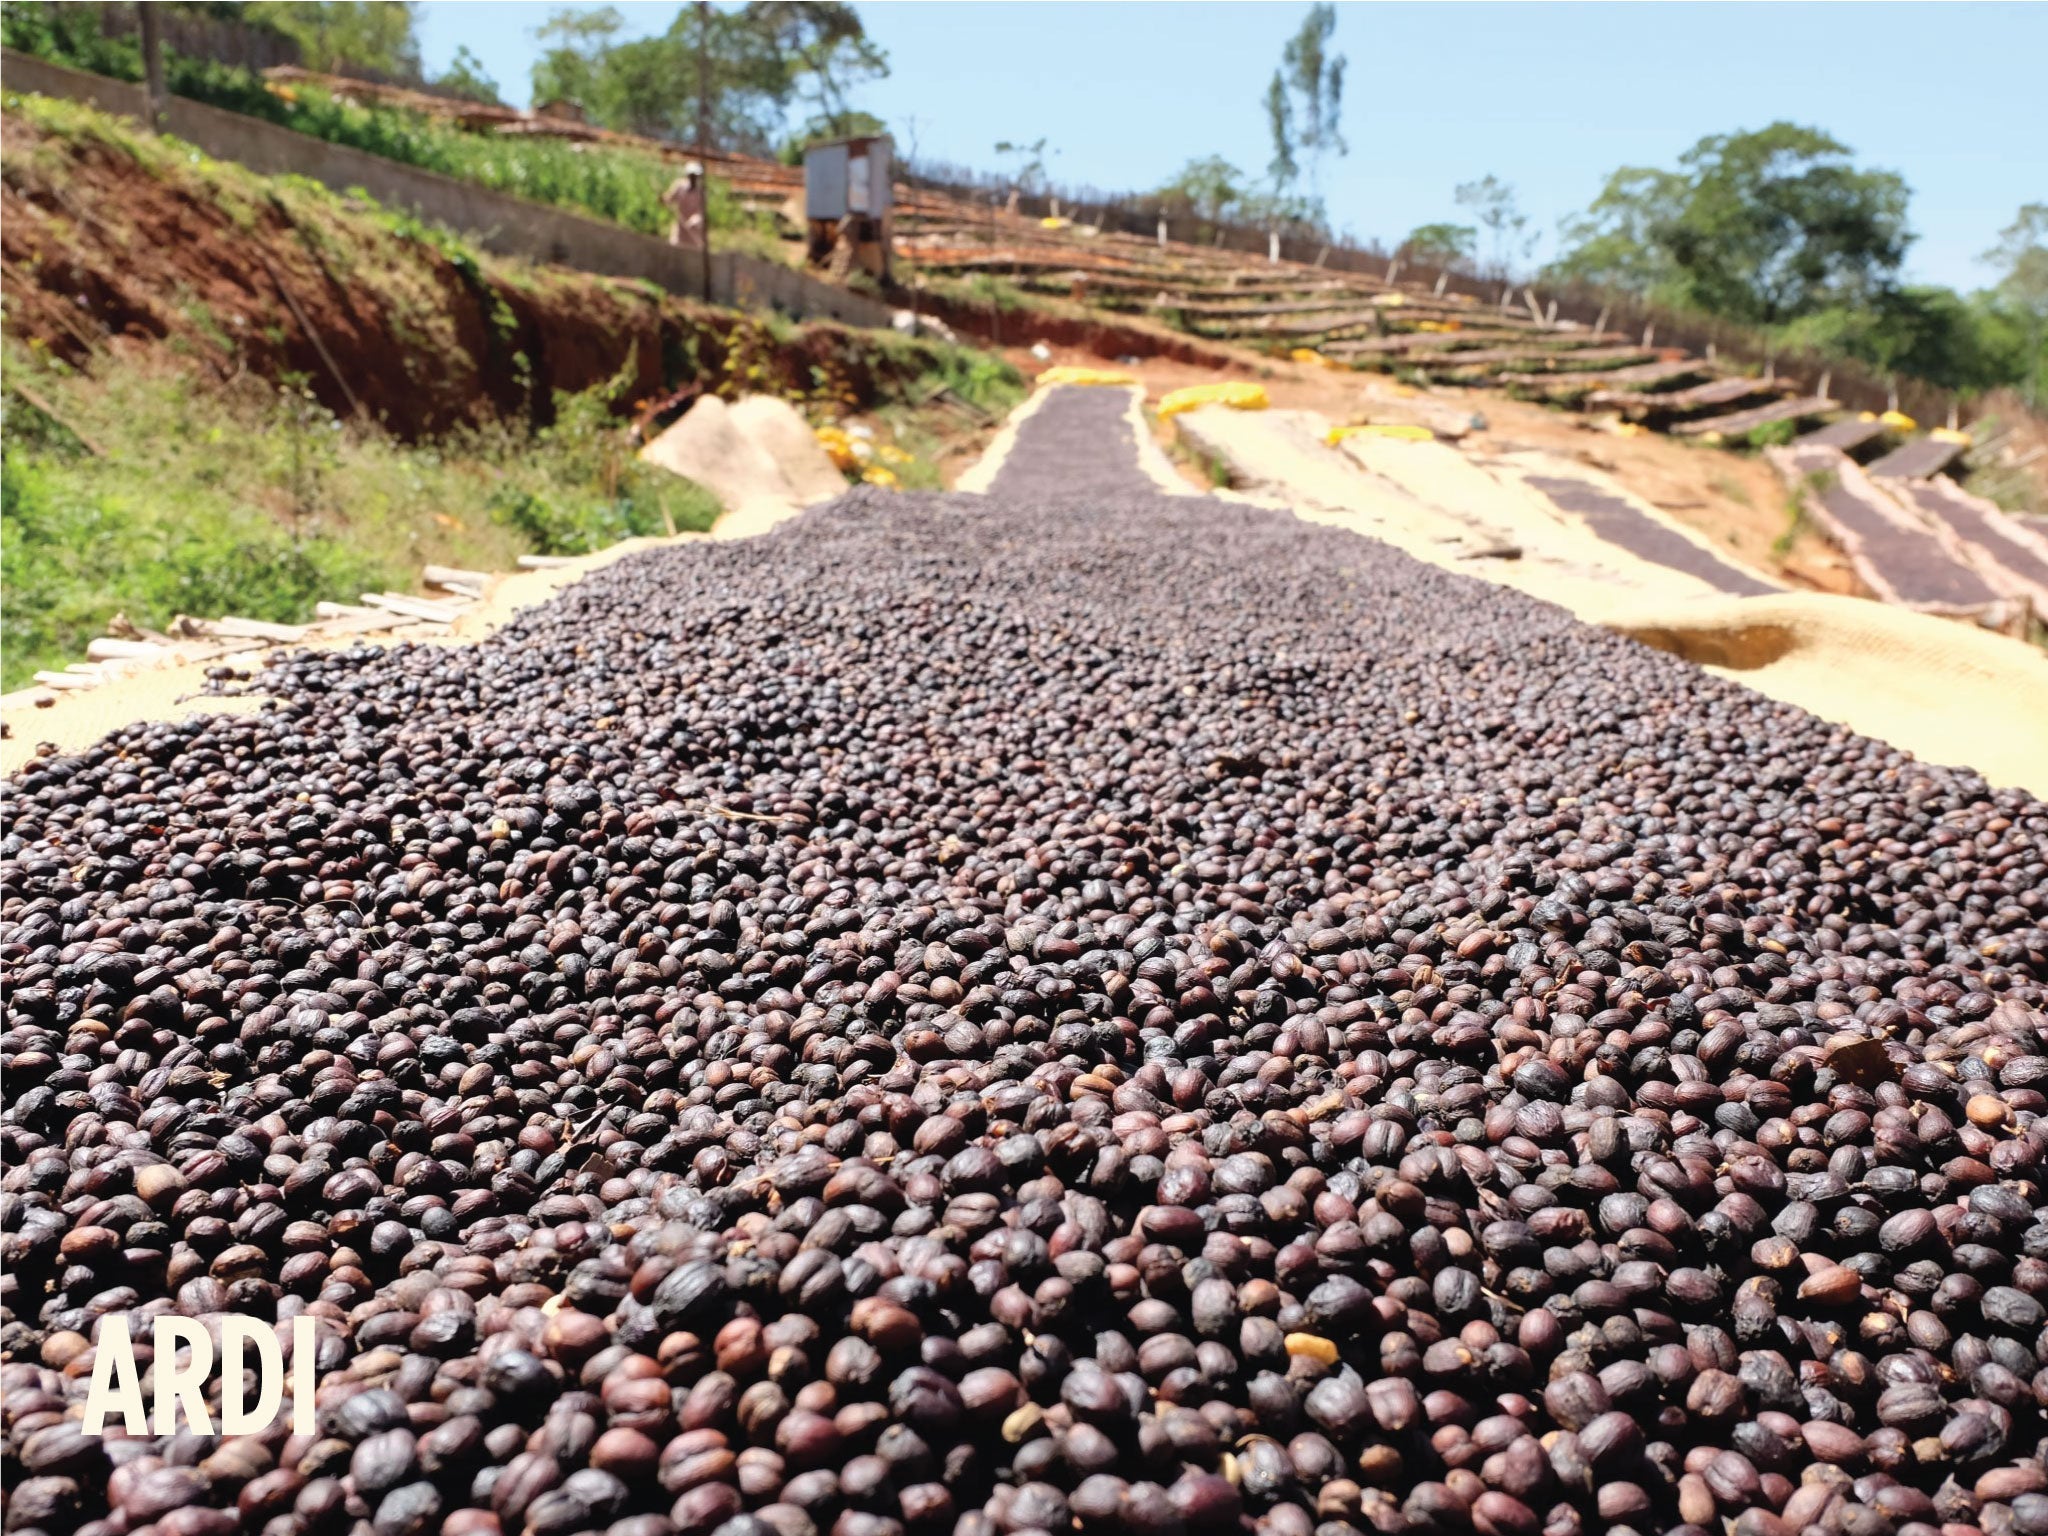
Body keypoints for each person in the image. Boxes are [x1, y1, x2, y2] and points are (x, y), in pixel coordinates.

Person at [663, 162, 707, 250]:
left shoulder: (702, 192)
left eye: (695, 176)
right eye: (691, 175)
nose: (693, 178)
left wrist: (694, 221)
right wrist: (664, 200)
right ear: (688, 175)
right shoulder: (679, 186)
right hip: (680, 227)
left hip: (694, 229)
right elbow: (670, 199)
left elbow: (701, 212)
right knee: (675, 248)